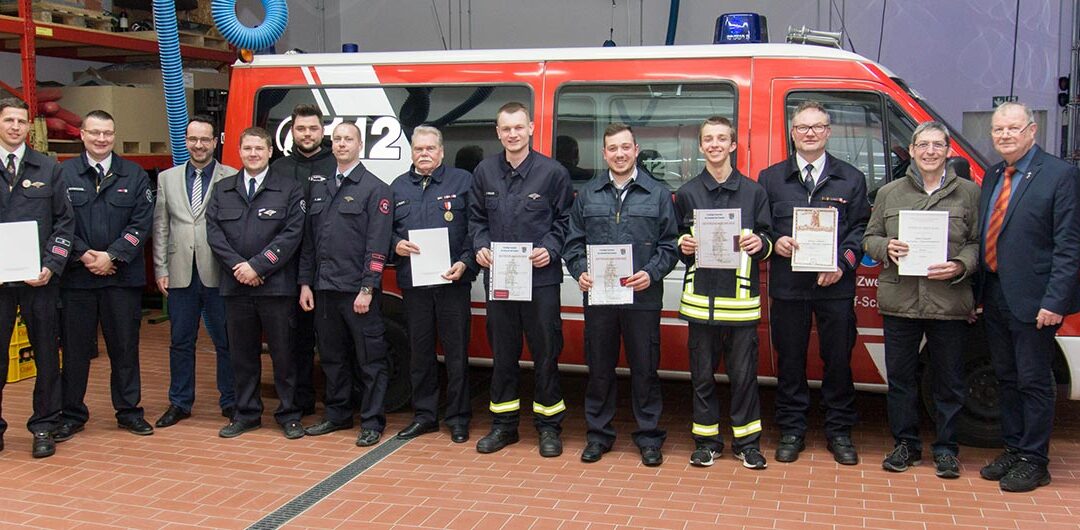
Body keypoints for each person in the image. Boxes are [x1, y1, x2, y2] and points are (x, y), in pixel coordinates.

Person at [862, 121, 979, 479]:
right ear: (911, 150)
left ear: (948, 151)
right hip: (900, 300)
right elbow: (869, 237)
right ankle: (906, 445)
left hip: (949, 300)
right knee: (900, 379)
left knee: (949, 381)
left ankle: (946, 449)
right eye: (923, 145)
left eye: (937, 145)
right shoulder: (889, 193)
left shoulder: (970, 194)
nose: (930, 151)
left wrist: (961, 264)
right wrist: (887, 247)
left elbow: (980, 244)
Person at [757, 100, 871, 465]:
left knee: (837, 359)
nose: (810, 133)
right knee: (790, 359)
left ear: (828, 132)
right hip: (788, 285)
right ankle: (792, 429)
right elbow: (760, 229)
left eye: (817, 127)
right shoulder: (771, 178)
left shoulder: (852, 178)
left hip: (835, 286)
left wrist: (842, 263)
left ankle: (839, 430)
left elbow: (860, 230)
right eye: (802, 127)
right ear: (792, 133)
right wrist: (778, 242)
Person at [977, 102, 1080, 492]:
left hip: (1036, 300)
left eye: (1013, 128)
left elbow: (1069, 246)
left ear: (1032, 131)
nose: (1005, 135)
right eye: (998, 129)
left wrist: (1055, 301)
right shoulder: (993, 174)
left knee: (1034, 380)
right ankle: (1014, 448)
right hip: (997, 293)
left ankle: (1035, 460)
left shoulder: (1060, 175)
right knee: (1005, 377)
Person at [563, 123, 677, 466]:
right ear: (604, 154)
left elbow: (670, 246)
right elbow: (573, 243)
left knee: (645, 369)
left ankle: (649, 437)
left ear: (636, 149)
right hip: (599, 299)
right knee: (599, 368)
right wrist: (580, 270)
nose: (620, 153)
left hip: (642, 297)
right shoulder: (587, 194)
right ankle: (598, 435)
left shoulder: (657, 193)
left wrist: (651, 273)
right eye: (613, 148)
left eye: (625, 147)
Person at [469, 101, 574, 457]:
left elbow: (565, 221)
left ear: (530, 128)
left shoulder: (552, 173)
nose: (512, 134)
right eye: (505, 129)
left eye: (518, 127)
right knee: (503, 353)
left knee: (546, 353)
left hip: (541, 280)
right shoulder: (484, 172)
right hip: (499, 279)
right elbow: (476, 220)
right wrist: (480, 246)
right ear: (498, 133)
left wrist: (551, 247)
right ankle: (504, 426)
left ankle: (548, 427)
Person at [673, 116, 773, 470]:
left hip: (740, 304)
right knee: (701, 376)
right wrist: (682, 243)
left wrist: (759, 242)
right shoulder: (686, 193)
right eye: (708, 139)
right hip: (700, 301)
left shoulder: (754, 192)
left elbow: (769, 242)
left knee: (745, 377)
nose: (715, 145)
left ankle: (747, 443)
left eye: (721, 139)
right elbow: (674, 243)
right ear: (701, 146)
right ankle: (707, 442)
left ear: (733, 145)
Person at [57, 110, 155, 440]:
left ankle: (128, 411)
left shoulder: (134, 174)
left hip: (121, 278)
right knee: (75, 351)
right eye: (95, 132)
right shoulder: (64, 173)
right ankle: (71, 413)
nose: (102, 139)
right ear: (82, 135)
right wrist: (85, 255)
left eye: (108, 133)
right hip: (77, 279)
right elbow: (58, 222)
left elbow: (142, 224)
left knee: (125, 348)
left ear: (114, 136)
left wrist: (112, 255)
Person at [206, 127, 305, 440]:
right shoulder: (223, 190)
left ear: (269, 152)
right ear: (239, 151)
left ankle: (289, 414)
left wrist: (259, 266)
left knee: (284, 354)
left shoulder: (289, 189)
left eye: (259, 149)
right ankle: (246, 413)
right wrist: (241, 268)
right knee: (242, 354)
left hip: (276, 287)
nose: (253, 154)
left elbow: (292, 234)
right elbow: (214, 234)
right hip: (236, 287)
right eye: (247, 148)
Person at [299, 121, 393, 447]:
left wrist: (368, 287)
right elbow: (310, 242)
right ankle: (337, 415)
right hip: (324, 290)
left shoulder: (375, 189)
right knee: (332, 358)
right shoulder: (321, 186)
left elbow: (377, 244)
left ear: (360, 145)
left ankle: (371, 421)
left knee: (370, 360)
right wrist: (305, 284)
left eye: (348, 139)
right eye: (337, 139)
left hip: (357, 292)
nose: (341, 144)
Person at [390, 125, 476, 443]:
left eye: (430, 148)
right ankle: (424, 415)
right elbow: (383, 231)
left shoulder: (463, 182)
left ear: (441, 151)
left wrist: (466, 262)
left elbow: (475, 229)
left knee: (456, 353)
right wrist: (394, 244)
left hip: (453, 283)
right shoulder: (398, 187)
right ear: (411, 152)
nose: (424, 154)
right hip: (414, 286)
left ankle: (458, 417)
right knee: (419, 352)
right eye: (418, 149)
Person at [151, 115, 237, 427]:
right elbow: (161, 226)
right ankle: (180, 402)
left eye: (205, 139)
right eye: (193, 139)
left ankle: (230, 400)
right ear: (186, 141)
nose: (198, 145)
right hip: (180, 272)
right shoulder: (167, 179)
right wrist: (160, 268)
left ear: (216, 142)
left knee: (226, 340)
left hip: (219, 272)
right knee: (181, 340)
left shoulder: (231, 177)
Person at [0, 98, 74, 458]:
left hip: (40, 281)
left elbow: (64, 222)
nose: (15, 127)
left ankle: (44, 426)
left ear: (29, 127)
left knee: (46, 355)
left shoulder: (48, 167)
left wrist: (51, 265)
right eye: (9, 120)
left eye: (21, 121)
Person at [272, 104, 335, 417]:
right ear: (292, 131)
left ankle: (340, 404)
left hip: (330, 267)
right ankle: (300, 402)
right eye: (301, 129)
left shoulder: (338, 163)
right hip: (288, 267)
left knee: (333, 340)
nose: (307, 134)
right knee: (295, 340)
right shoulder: (279, 168)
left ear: (322, 131)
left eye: (313, 129)